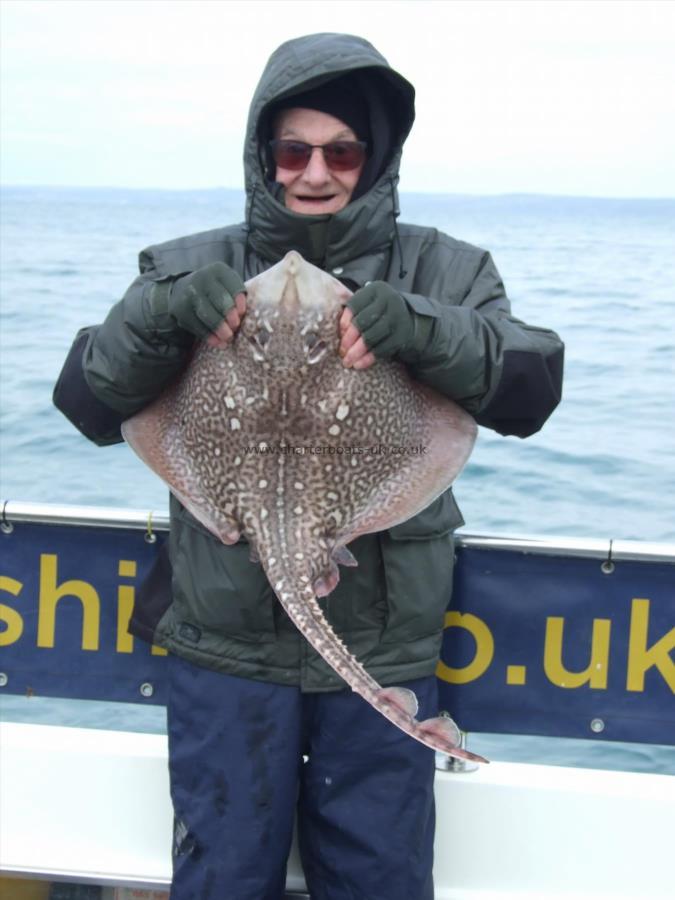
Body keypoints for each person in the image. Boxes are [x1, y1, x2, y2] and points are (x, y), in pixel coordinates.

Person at [54, 32, 564, 900]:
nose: (314, 173)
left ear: (377, 155)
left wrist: (423, 329)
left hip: (385, 632)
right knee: (223, 874)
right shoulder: (185, 268)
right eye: (292, 151)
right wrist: (165, 313)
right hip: (226, 648)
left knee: (377, 876)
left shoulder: (446, 271)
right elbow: (90, 401)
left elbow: (529, 388)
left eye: (341, 151)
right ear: (263, 156)